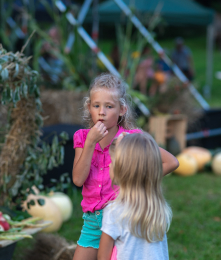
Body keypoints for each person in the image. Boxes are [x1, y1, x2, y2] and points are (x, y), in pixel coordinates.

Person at [72, 73, 179, 260]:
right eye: (96, 106)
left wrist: (138, 179)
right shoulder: (82, 138)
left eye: (109, 106)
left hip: (123, 217)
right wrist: (90, 143)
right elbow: (78, 179)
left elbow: (171, 162)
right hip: (93, 222)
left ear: (122, 109)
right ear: (89, 107)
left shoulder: (130, 140)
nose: (101, 112)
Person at [98, 132, 172, 260]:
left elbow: (102, 257)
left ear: (123, 169)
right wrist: (140, 144)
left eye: (112, 161)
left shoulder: (114, 211)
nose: (109, 165)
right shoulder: (160, 209)